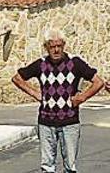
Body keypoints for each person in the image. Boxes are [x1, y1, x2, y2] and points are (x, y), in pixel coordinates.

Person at [12, 28, 105, 173]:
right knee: (47, 166)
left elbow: (98, 82)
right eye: (52, 47)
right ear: (46, 47)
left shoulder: (75, 63)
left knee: (70, 167)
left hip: (70, 122)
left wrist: (82, 97)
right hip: (45, 122)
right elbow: (17, 78)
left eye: (59, 46)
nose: (56, 50)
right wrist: (35, 93)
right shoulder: (41, 64)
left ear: (64, 45)